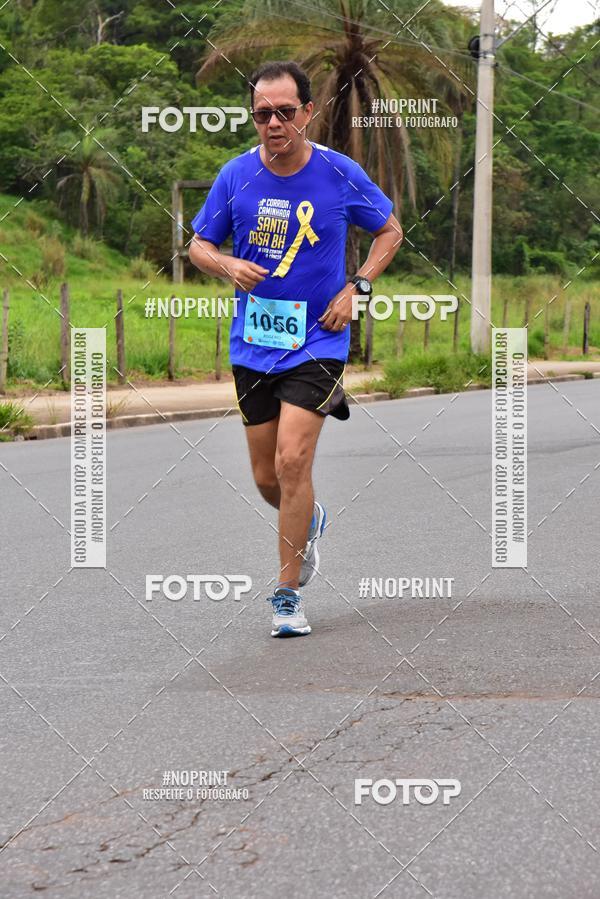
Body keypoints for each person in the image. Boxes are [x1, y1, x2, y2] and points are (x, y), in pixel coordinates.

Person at [189, 60, 402, 637]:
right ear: (253, 118)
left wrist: (357, 287)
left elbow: (390, 231)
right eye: (263, 114)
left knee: (292, 460)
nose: (275, 123)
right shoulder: (235, 176)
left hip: (320, 339)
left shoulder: (339, 172)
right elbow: (197, 246)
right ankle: (307, 519)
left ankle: (286, 594)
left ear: (308, 112)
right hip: (254, 342)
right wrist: (227, 262)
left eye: (286, 111)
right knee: (266, 477)